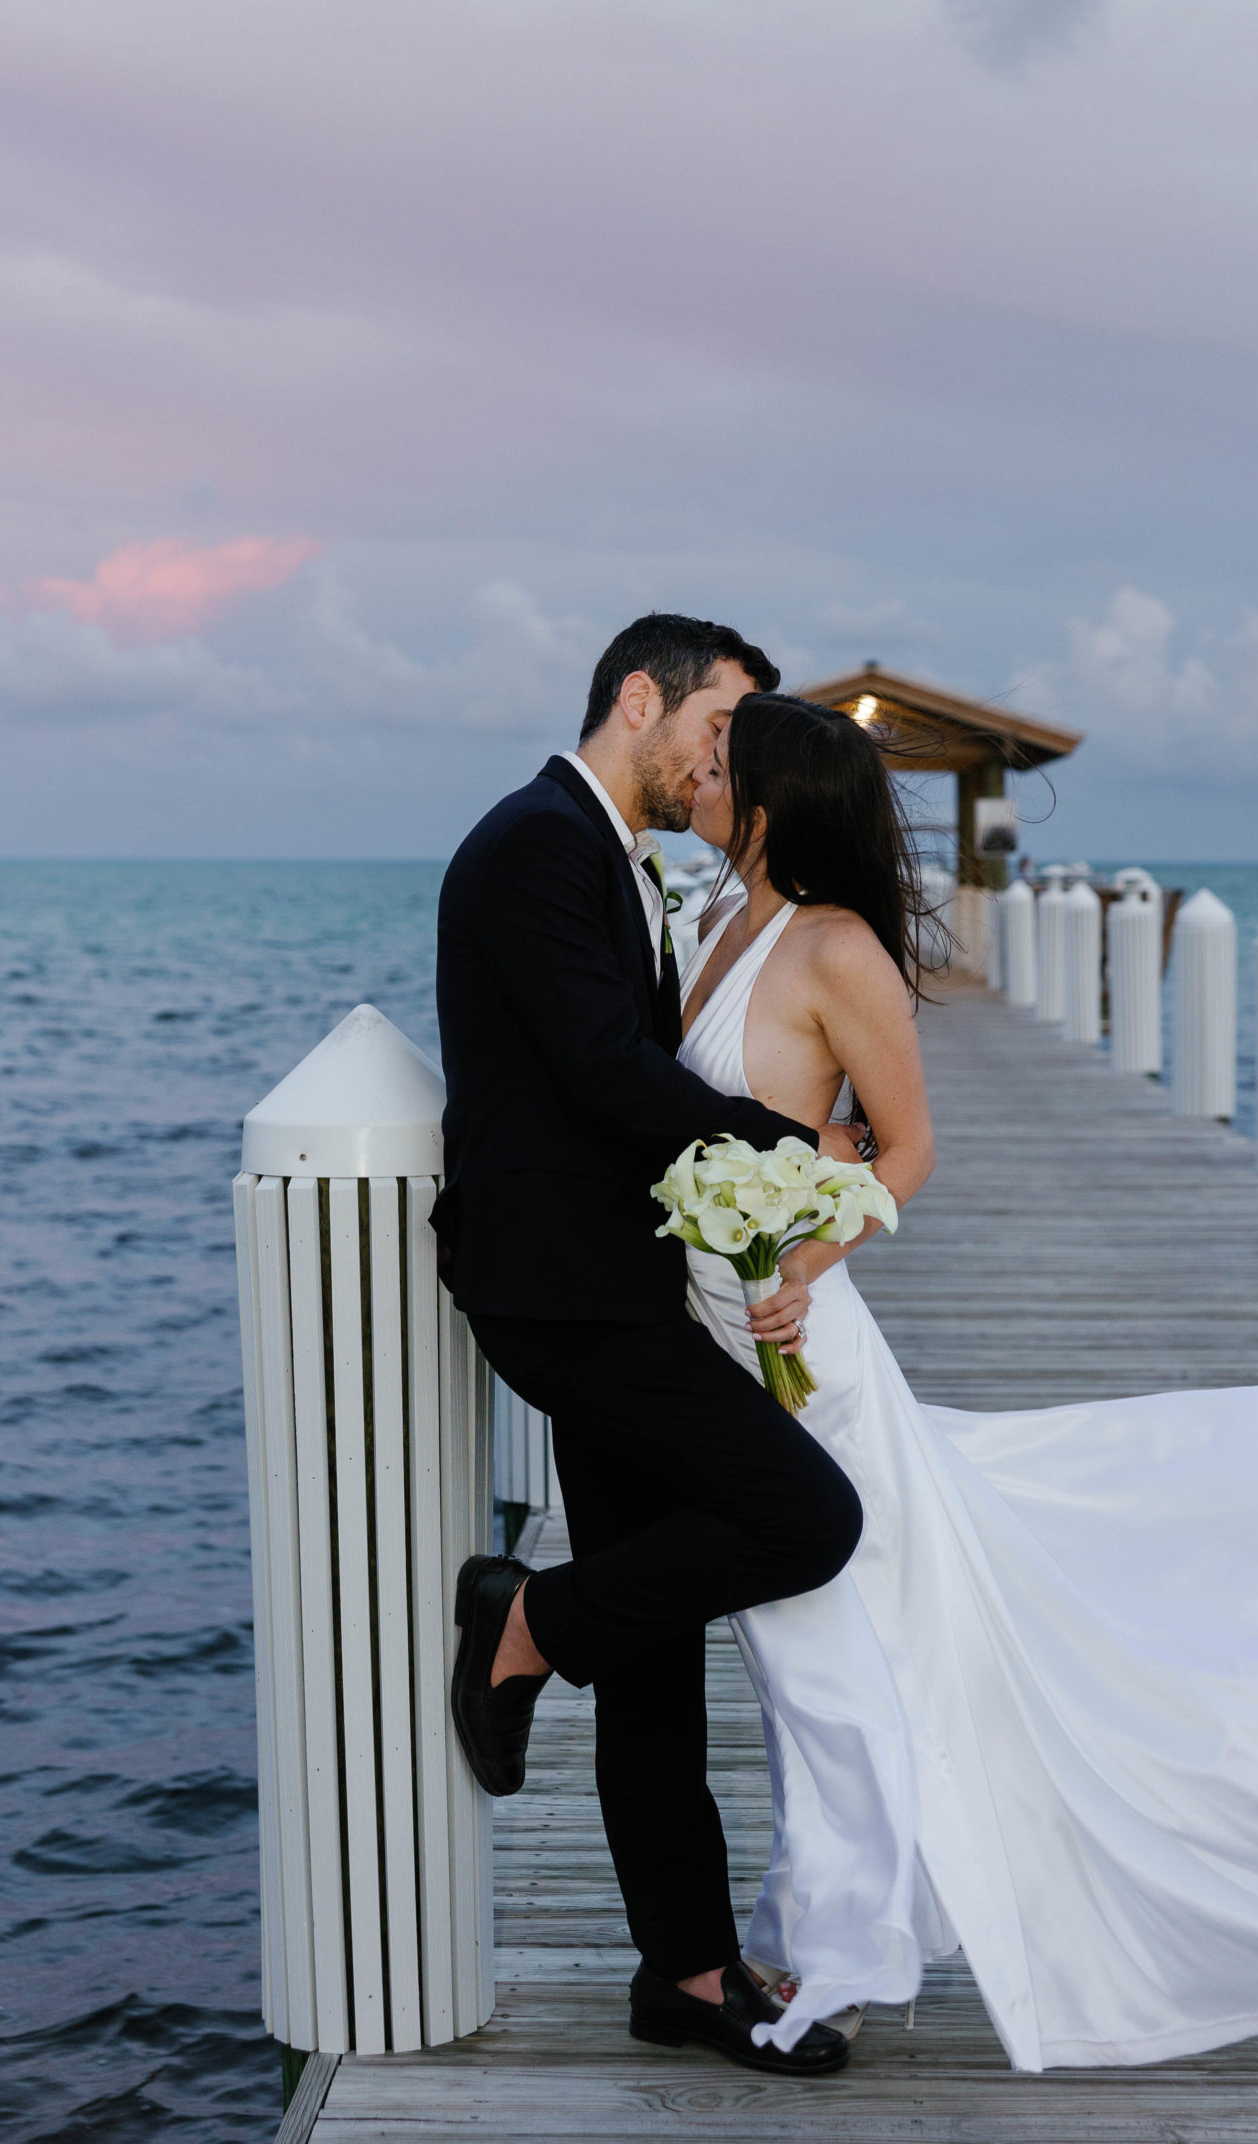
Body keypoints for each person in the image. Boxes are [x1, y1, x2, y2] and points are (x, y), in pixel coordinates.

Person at [673, 691, 1258, 2069]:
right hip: (710, 1332)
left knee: (826, 1652)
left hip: (798, 1343)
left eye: (722, 764)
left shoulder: (839, 952)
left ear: (769, 802)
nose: (700, 776)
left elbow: (905, 1154)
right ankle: (815, 1928)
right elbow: (747, 1122)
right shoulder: (717, 925)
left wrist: (811, 1258)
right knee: (805, 1658)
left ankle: (828, 1959)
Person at [433, 615, 868, 2079]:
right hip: (565, 1291)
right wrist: (801, 1150)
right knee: (805, 1514)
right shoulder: (537, 845)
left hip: (618, 1280)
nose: (727, 753)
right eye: (721, 720)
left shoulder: (612, 854)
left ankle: (683, 1975)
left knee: (660, 1650)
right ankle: (526, 1626)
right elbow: (611, 1076)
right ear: (642, 697)